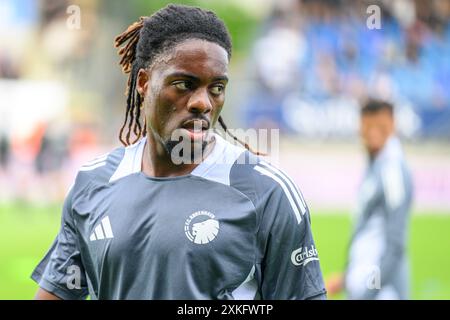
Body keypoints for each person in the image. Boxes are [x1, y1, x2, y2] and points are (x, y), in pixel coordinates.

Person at [31, 4, 326, 300]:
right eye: (185, 84)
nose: (203, 103)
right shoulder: (93, 183)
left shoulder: (267, 193)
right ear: (144, 83)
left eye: (217, 87)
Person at [326, 99, 413, 300]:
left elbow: (395, 245)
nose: (373, 132)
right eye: (368, 126)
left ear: (392, 126)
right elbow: (370, 235)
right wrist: (348, 278)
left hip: (383, 293)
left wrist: (369, 292)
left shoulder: (392, 172)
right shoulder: (377, 165)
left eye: (380, 127)